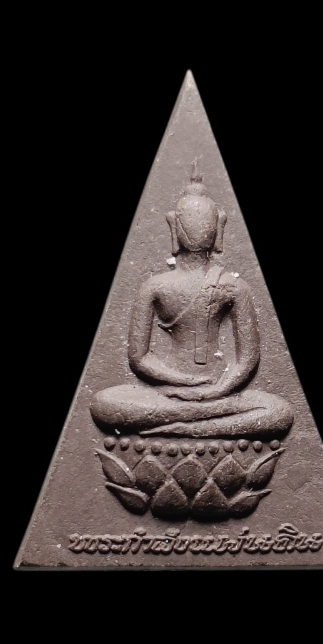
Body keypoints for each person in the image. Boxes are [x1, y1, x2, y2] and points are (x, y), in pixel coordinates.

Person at [90, 162, 294, 438]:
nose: (198, 229)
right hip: (169, 393)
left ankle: (185, 425)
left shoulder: (233, 286)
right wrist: (182, 382)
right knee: (103, 404)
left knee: (281, 412)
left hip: (218, 392)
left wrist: (217, 390)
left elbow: (247, 360)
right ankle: (203, 423)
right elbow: (139, 358)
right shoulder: (155, 286)